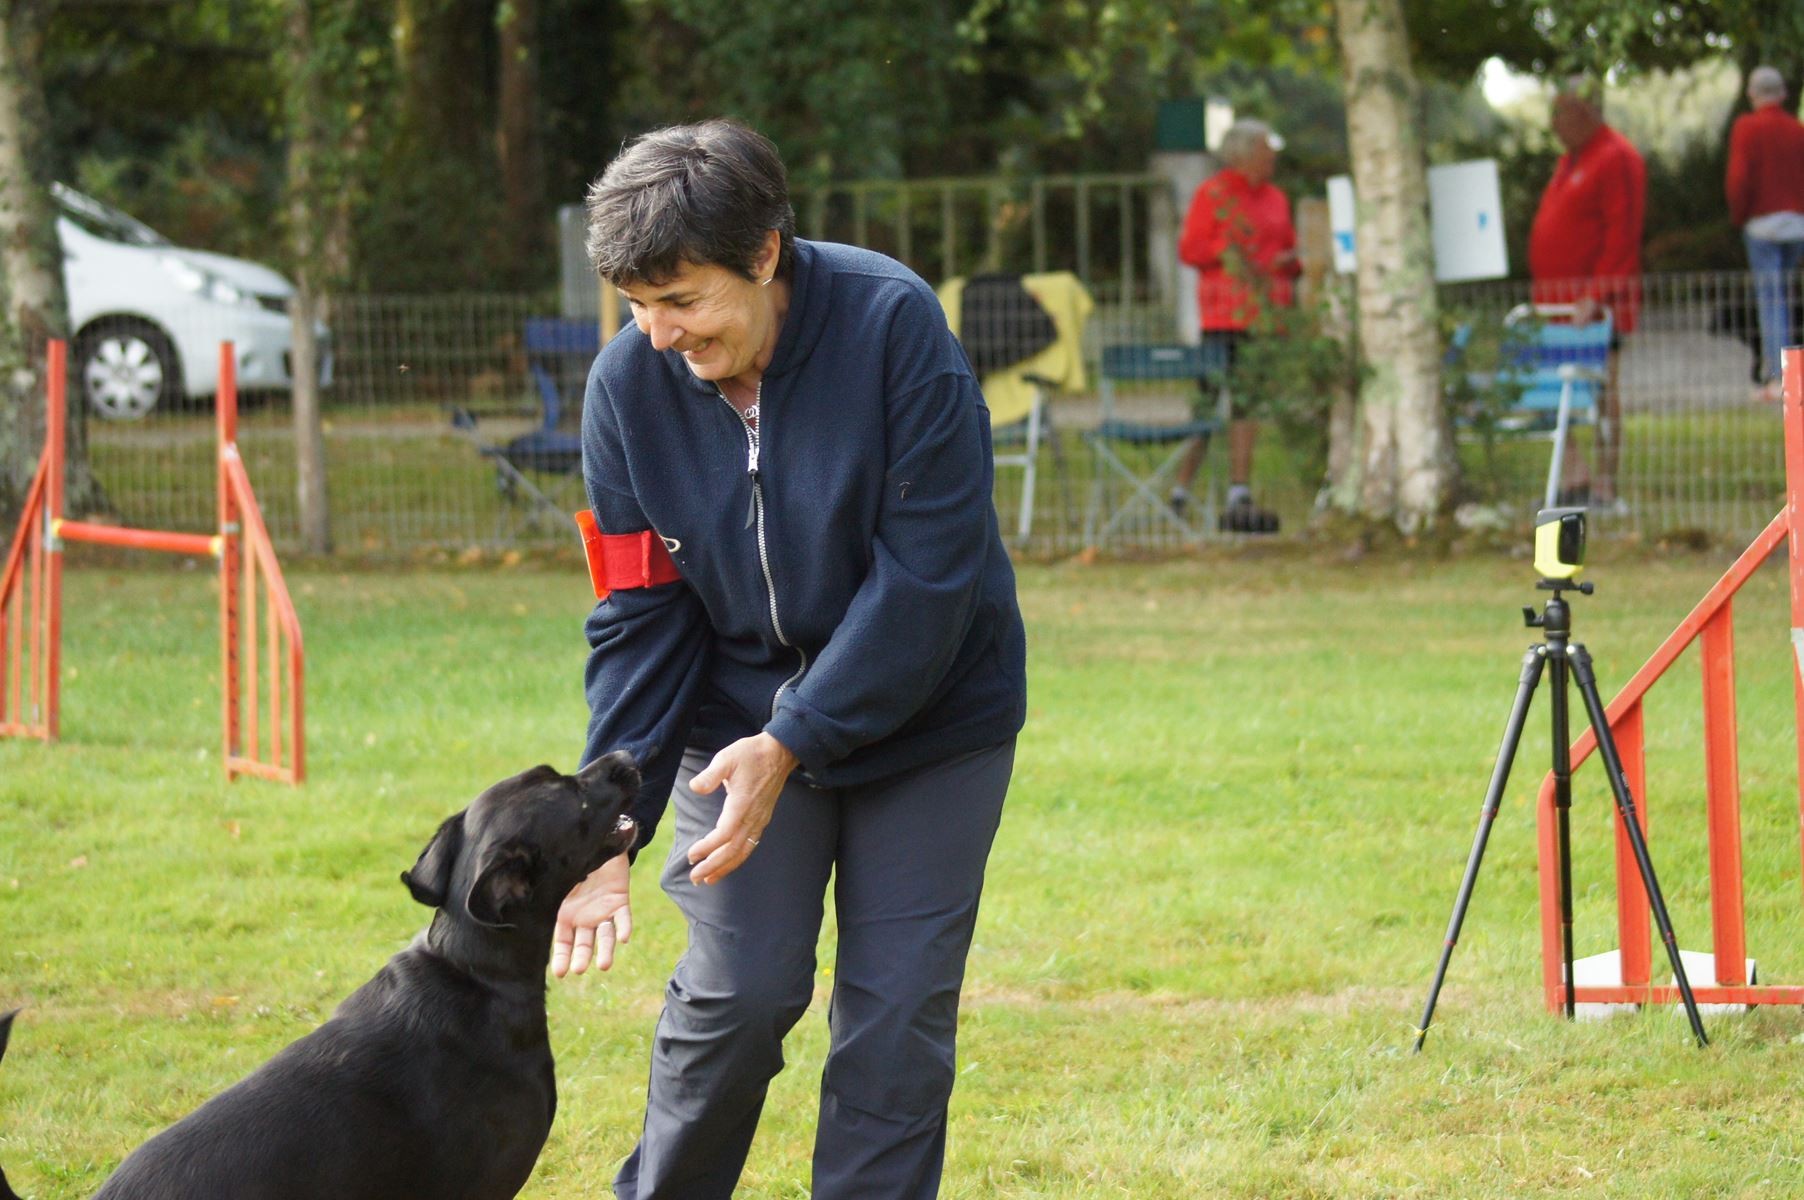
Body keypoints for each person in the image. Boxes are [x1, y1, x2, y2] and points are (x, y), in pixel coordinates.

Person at [553, 118, 1027, 1200]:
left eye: (683, 301)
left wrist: (798, 734)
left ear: (766, 254)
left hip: (931, 722)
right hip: (732, 725)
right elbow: (639, 615)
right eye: (635, 306)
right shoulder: (628, 391)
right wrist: (606, 819)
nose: (659, 335)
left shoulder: (893, 326)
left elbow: (930, 576)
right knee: (737, 997)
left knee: (895, 1023)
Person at [1172, 117, 1300, 533]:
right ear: (1243, 154)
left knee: (1248, 403)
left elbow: (1288, 249)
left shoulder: (1277, 198)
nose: (1272, 157)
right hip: (1223, 314)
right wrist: (1229, 252)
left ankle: (1238, 491)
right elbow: (1191, 248)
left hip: (1264, 315)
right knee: (1208, 403)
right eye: (1265, 149)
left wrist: (1288, 263)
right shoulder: (1213, 194)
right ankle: (1180, 489)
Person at [1527, 76, 1646, 512]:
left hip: (1595, 309)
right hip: (1557, 306)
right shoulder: (1571, 160)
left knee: (1600, 392)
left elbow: (1622, 234)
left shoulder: (1615, 157)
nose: (1554, 122)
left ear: (1587, 110)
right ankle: (1575, 475)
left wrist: (1597, 294)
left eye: (1561, 111)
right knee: (1555, 391)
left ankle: (1605, 486)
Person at [1726, 65, 1804, 403]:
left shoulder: (1747, 128)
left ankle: (1779, 377)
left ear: (1752, 95)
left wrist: (1739, 216)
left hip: (1761, 226)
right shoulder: (1797, 130)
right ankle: (1788, 371)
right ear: (1783, 95)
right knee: (1784, 297)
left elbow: (1739, 179)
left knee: (1771, 301)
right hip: (1796, 226)